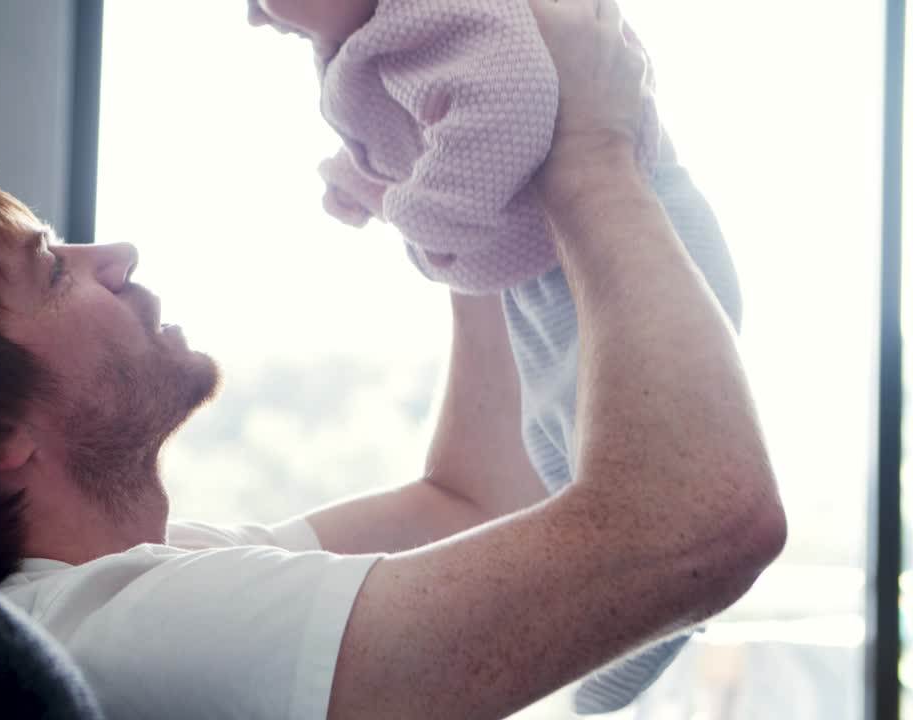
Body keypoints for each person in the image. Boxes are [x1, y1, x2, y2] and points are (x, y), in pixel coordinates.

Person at [0, 1, 785, 719]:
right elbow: (699, 524)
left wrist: (461, 194)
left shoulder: (123, 593)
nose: (113, 255)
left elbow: (469, 500)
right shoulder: (133, 640)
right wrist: (592, 154)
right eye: (52, 272)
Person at [249, 0, 742, 711]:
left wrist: (413, 212)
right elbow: (440, 131)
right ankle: (637, 601)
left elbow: (509, 106)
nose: (257, 15)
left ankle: (661, 592)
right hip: (554, 267)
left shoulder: (440, 10)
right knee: (556, 451)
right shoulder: (381, 34)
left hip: (638, 245)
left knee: (626, 461)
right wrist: (373, 183)